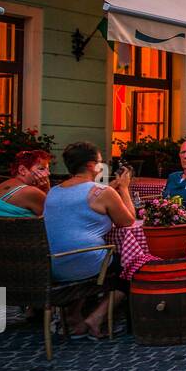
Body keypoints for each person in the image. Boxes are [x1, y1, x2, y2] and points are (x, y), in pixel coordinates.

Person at [43, 141, 133, 339]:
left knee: (102, 258)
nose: (102, 166)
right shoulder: (102, 192)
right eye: (101, 162)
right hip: (84, 263)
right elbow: (128, 221)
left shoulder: (54, 192)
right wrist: (124, 188)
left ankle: (73, 316)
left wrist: (112, 187)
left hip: (54, 264)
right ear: (92, 166)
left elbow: (83, 200)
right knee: (131, 268)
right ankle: (95, 319)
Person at [0, 149, 51, 269]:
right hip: (13, 263)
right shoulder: (30, 192)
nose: (48, 174)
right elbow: (54, 222)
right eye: (41, 169)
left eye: (48, 169)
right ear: (22, 170)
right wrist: (46, 189)